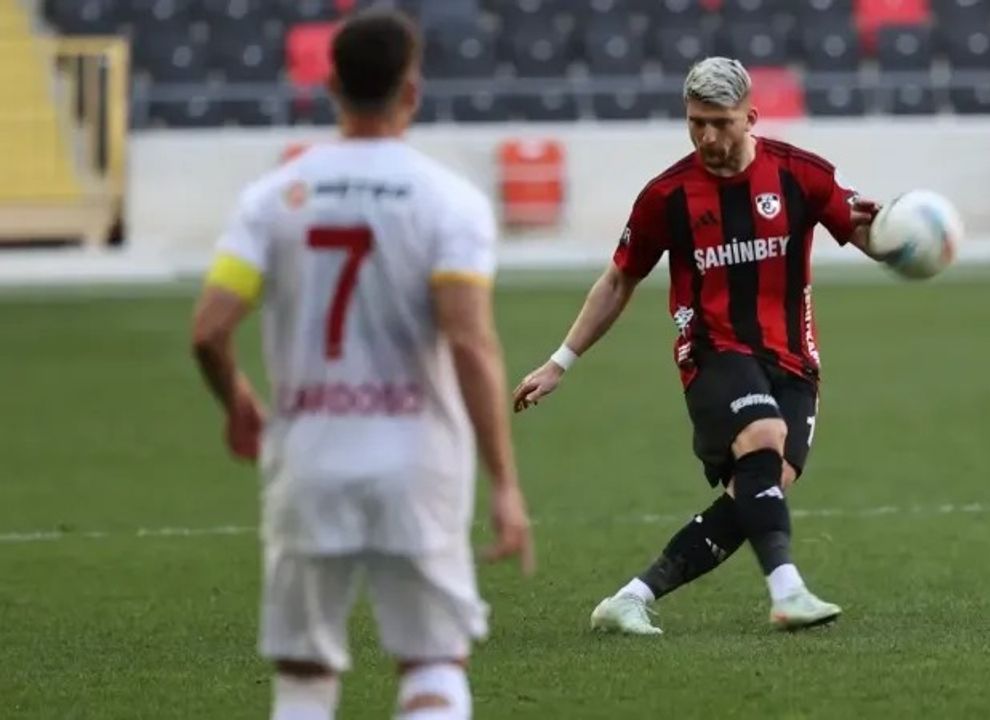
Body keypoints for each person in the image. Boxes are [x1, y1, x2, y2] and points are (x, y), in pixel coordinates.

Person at [190, 11, 533, 719]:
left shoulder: (274, 197)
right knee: (432, 664)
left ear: (331, 86)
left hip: (308, 460)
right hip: (418, 465)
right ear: (412, 89)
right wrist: (504, 480)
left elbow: (209, 331)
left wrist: (239, 403)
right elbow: (470, 343)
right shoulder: (450, 201)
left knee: (303, 676)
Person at [512, 57, 892, 634]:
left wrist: (899, 236)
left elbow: (866, 232)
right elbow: (618, 280)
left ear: (750, 118)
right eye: (696, 123)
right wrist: (560, 362)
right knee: (763, 437)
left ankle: (631, 598)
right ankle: (788, 592)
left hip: (795, 360)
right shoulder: (666, 196)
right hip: (713, 352)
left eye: (721, 123)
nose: (708, 138)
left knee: (760, 489)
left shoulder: (801, 174)